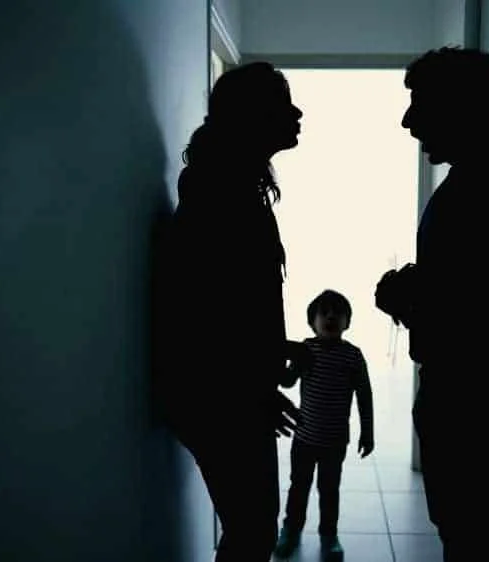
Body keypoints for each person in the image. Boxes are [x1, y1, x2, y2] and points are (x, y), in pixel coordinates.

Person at [374, 47, 489, 562]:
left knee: (472, 537)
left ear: (458, 108)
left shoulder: (488, 182)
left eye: (419, 103)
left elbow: (477, 313)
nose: (408, 120)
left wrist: (403, 296)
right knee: (469, 530)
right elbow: (474, 283)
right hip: (473, 394)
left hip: (469, 396)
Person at [154, 61, 307, 562]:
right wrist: (257, 392)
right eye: (283, 104)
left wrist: (274, 353)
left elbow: (229, 305)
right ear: (254, 118)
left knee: (251, 531)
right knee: (253, 534)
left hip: (224, 395)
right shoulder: (223, 198)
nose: (297, 112)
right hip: (223, 399)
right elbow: (210, 317)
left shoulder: (228, 190)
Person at [273, 290, 374, 561]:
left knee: (329, 491)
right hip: (304, 438)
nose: (331, 316)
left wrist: (368, 431)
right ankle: (290, 531)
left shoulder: (352, 356)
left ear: (347, 321)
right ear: (312, 321)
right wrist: (281, 353)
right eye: (324, 312)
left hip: (334, 441)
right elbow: (287, 381)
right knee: (299, 487)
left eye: (337, 312)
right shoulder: (306, 349)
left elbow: (364, 395)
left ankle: (329, 535)